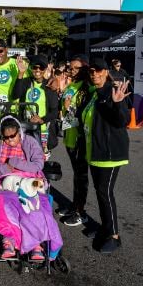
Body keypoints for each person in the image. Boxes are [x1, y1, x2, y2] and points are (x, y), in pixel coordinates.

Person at [0, 116, 62, 260]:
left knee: (34, 206)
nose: (10, 140)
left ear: (19, 132)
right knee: (2, 203)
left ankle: (36, 244)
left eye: (13, 136)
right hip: (7, 180)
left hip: (30, 178)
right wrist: (7, 168)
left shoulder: (30, 142)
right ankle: (9, 239)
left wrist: (15, 163)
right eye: (6, 137)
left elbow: (38, 164)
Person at [82, 57, 130, 253]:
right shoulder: (95, 93)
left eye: (98, 71)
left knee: (105, 193)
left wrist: (118, 104)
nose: (94, 74)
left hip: (109, 154)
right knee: (101, 193)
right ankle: (105, 227)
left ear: (106, 72)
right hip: (95, 152)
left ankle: (114, 235)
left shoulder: (112, 92)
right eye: (91, 71)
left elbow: (122, 121)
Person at [57, 55, 92, 227]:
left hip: (81, 137)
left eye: (77, 68)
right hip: (69, 134)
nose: (72, 70)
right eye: (71, 67)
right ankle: (74, 205)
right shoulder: (71, 84)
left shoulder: (87, 87)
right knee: (76, 176)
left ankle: (80, 212)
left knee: (81, 176)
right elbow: (65, 108)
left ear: (85, 68)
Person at [12, 54, 59, 159]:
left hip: (43, 132)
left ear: (45, 69)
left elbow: (55, 111)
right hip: (26, 129)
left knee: (40, 165)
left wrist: (42, 119)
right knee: (25, 160)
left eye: (41, 67)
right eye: (34, 67)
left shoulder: (49, 86)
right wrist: (20, 74)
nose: (37, 70)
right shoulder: (26, 82)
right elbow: (15, 95)